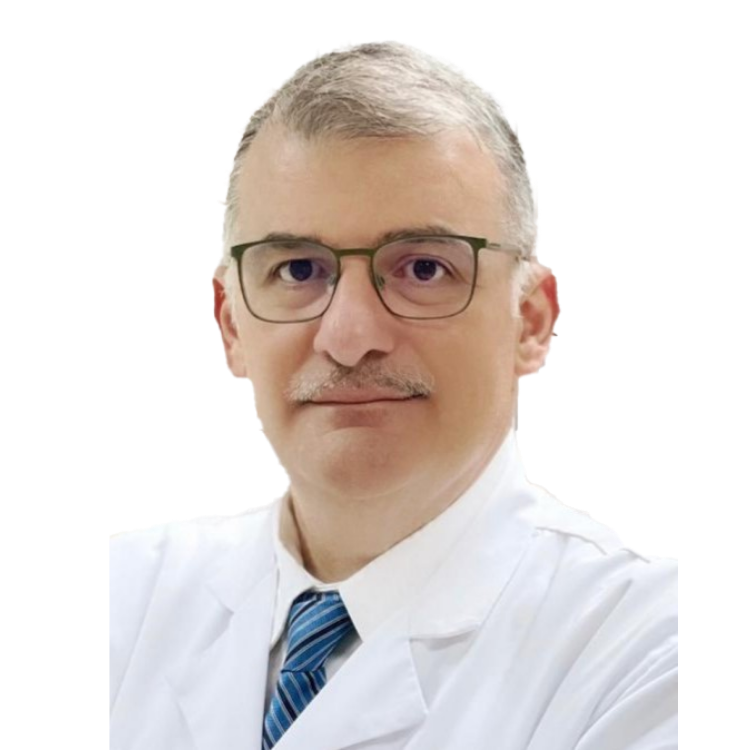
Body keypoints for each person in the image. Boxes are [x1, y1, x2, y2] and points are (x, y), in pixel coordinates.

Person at [109, 38, 678, 750]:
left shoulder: (645, 650)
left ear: (531, 321)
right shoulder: (125, 597)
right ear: (231, 325)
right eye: (298, 270)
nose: (350, 337)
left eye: (424, 269)